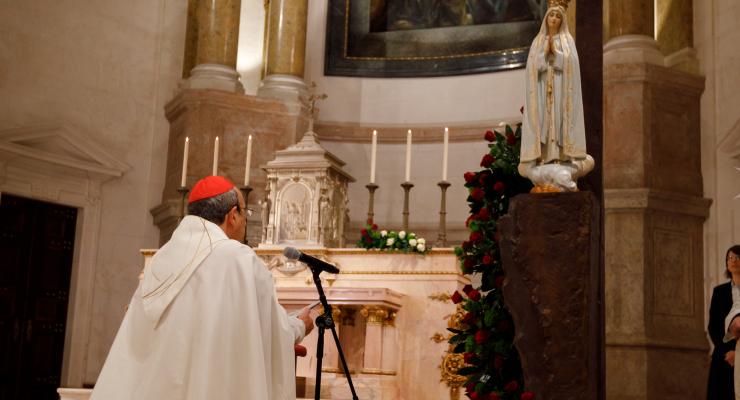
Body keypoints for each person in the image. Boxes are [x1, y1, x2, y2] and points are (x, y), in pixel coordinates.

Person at [91, 176, 314, 400]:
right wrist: (298, 325)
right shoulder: (239, 259)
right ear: (232, 215)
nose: (245, 221)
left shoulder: (161, 259)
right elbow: (269, 332)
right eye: (245, 213)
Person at [518, 1, 593, 192]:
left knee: (559, 123)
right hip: (543, 94)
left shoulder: (567, 41)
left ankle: (561, 156)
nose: (554, 19)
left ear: (562, 20)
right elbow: (531, 69)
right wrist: (544, 56)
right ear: (546, 18)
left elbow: (572, 66)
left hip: (561, 93)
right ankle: (543, 157)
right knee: (545, 123)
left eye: (558, 16)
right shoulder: (538, 41)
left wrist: (556, 54)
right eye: (551, 15)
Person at [707, 245, 740, 399]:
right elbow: (713, 326)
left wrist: (738, 353)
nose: (733, 261)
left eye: (737, 257)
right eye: (730, 258)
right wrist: (728, 352)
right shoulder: (719, 291)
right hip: (723, 355)